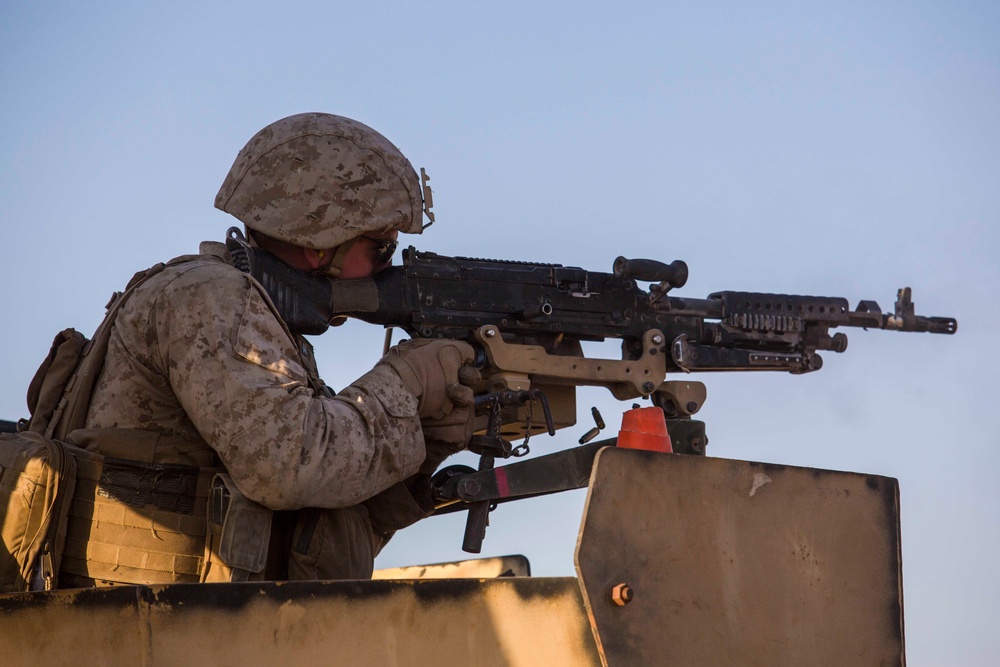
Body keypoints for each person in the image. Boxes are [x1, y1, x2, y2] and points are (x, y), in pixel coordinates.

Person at [57, 113, 475, 586]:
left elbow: (309, 528)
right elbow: (289, 466)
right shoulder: (212, 299)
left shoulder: (257, 316)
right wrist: (405, 382)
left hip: (190, 625)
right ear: (322, 244)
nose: (387, 268)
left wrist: (426, 434)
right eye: (381, 248)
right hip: (150, 630)